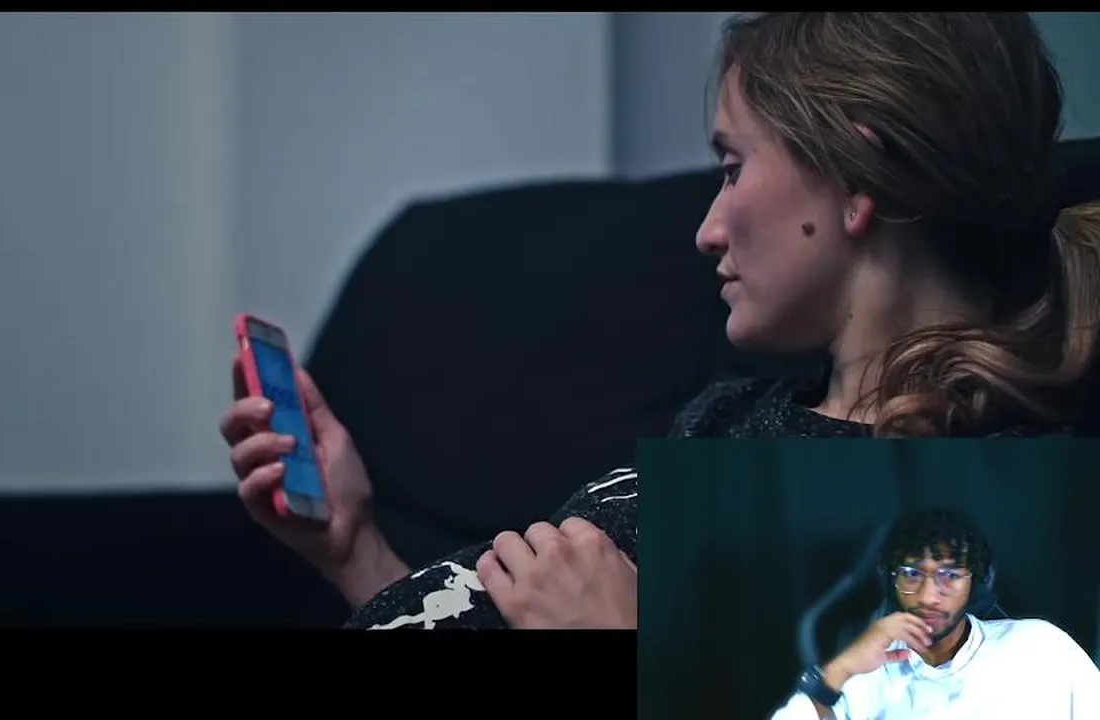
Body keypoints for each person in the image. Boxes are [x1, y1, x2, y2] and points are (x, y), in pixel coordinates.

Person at [219, 12, 1100, 629]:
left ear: (855, 177)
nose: (707, 231)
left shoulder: (1000, 505)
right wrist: (354, 550)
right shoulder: (726, 420)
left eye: (732, 167)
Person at [771, 508, 1099, 719]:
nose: (928, 597)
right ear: (891, 580)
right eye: (912, 574)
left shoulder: (1040, 646)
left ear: (976, 582)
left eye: (950, 575)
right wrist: (840, 668)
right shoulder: (871, 672)